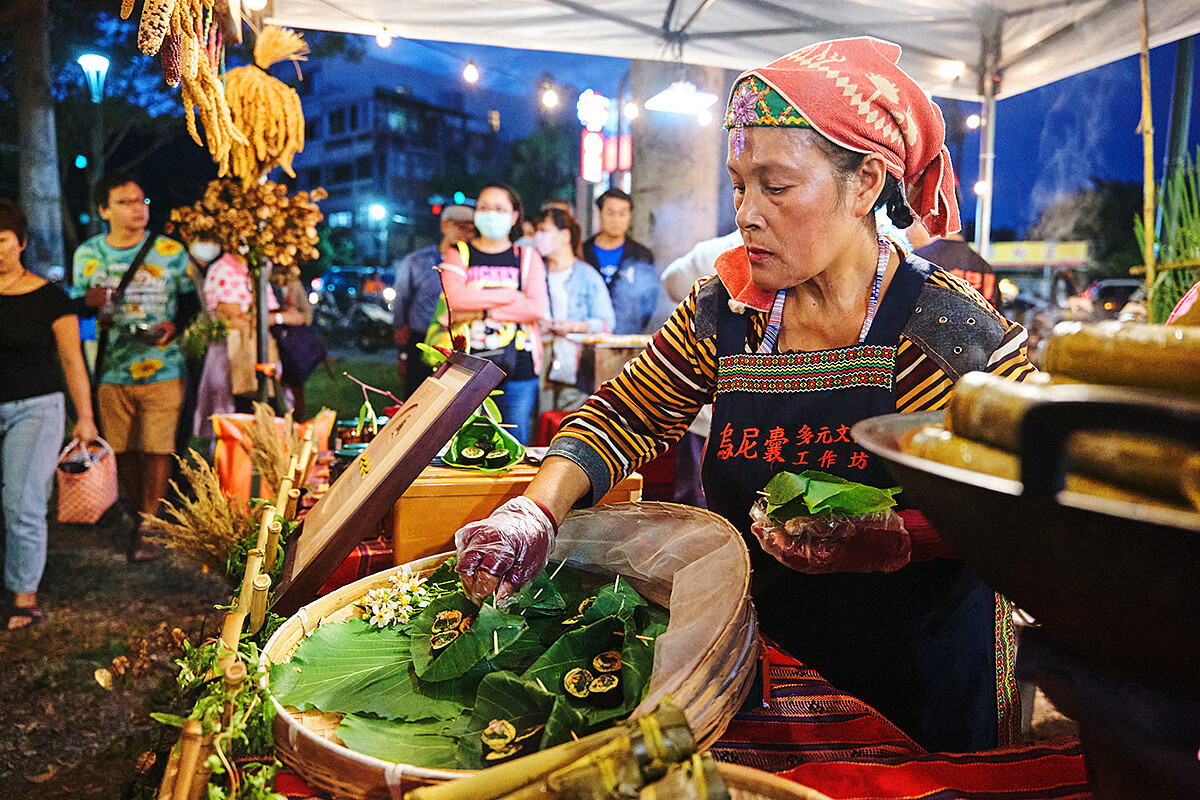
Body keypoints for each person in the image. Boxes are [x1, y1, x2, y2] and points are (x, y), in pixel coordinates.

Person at [453, 37, 1038, 753]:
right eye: (739, 184)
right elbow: (624, 413)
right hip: (765, 660)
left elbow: (1034, 502)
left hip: (920, 678)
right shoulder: (727, 311)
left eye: (777, 186)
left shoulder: (944, 332)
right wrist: (532, 511)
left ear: (864, 184)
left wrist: (895, 541)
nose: (747, 213)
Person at [72, 173, 197, 561]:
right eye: (125, 202)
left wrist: (174, 326)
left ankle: (149, 522)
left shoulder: (171, 251)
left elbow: (190, 303)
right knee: (122, 450)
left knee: (160, 447)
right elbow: (76, 310)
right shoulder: (88, 255)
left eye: (141, 201)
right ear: (104, 210)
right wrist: (88, 303)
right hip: (111, 367)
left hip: (163, 365)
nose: (137, 209)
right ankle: (136, 506)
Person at [0, 200, 98, 627]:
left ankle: (24, 594)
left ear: (19, 243)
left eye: (2, 240)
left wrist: (86, 417)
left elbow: (73, 361)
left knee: (22, 501)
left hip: (36, 408)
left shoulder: (50, 298)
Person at [438, 183, 549, 445]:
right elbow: (454, 299)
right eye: (484, 208)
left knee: (513, 442)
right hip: (467, 368)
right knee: (465, 444)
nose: (491, 214)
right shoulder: (459, 253)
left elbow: (536, 307)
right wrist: (510, 296)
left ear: (513, 217)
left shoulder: (528, 257)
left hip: (519, 370)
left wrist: (479, 308)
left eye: (500, 209)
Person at [658, 230, 744, 508]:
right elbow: (672, 281)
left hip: (713, 408)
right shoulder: (716, 252)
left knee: (699, 499)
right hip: (718, 407)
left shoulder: (711, 250)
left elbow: (672, 281)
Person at [193, 248, 296, 435]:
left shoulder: (257, 268)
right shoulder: (222, 269)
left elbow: (266, 313)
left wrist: (266, 318)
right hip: (232, 357)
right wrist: (264, 318)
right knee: (235, 423)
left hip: (259, 353)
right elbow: (230, 314)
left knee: (264, 416)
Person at [533, 207, 615, 412]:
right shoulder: (533, 271)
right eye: (538, 230)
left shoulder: (587, 277)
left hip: (574, 371)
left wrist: (573, 326)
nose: (539, 236)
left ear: (564, 236)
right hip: (537, 368)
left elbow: (607, 323)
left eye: (545, 230)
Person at [392, 204, 476, 398]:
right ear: (444, 226)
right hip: (422, 338)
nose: (466, 233)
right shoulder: (417, 261)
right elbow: (402, 298)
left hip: (460, 341)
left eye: (471, 229)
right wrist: (400, 333)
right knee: (417, 396)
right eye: (460, 227)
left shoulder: (475, 263)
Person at [581, 188, 661, 334]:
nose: (616, 220)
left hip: (627, 338)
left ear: (630, 216)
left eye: (622, 214)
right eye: (610, 213)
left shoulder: (641, 255)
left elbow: (649, 300)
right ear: (599, 213)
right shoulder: (582, 253)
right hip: (588, 339)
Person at [906, 217, 1001, 308]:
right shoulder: (984, 267)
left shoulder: (918, 262)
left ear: (929, 220)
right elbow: (998, 318)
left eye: (913, 221)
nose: (908, 232)